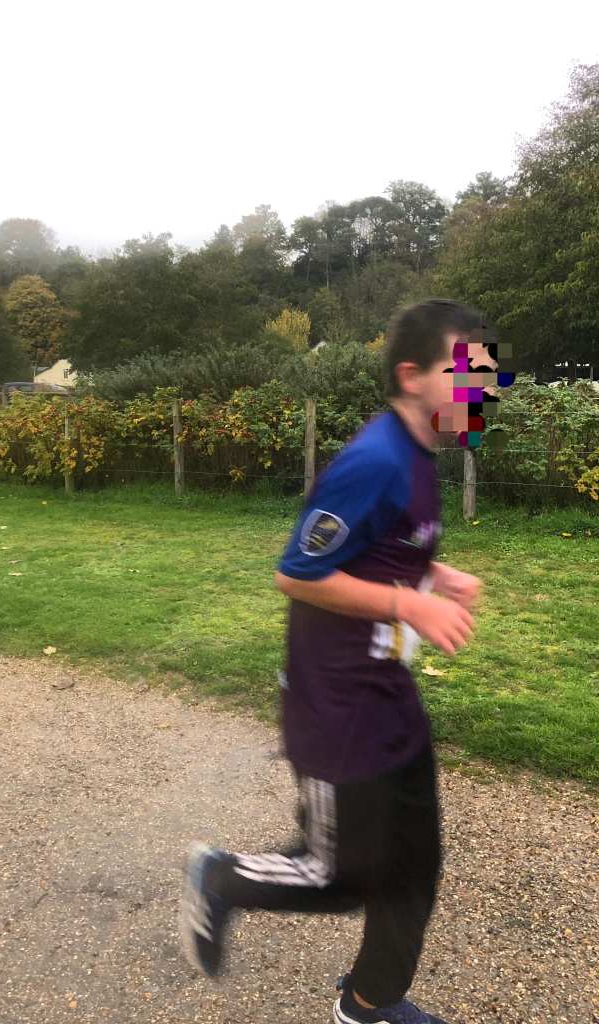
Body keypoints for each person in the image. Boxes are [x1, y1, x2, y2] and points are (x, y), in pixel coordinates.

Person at [179, 299, 502, 1024]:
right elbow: (297, 573)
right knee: (342, 874)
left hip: (388, 694)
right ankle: (221, 878)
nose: (482, 391)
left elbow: (383, 547)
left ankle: (368, 1004)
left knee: (414, 865)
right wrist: (411, 605)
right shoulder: (375, 460)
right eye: (468, 375)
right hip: (336, 706)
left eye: (487, 376)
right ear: (412, 376)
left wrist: (433, 575)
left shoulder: (422, 454)